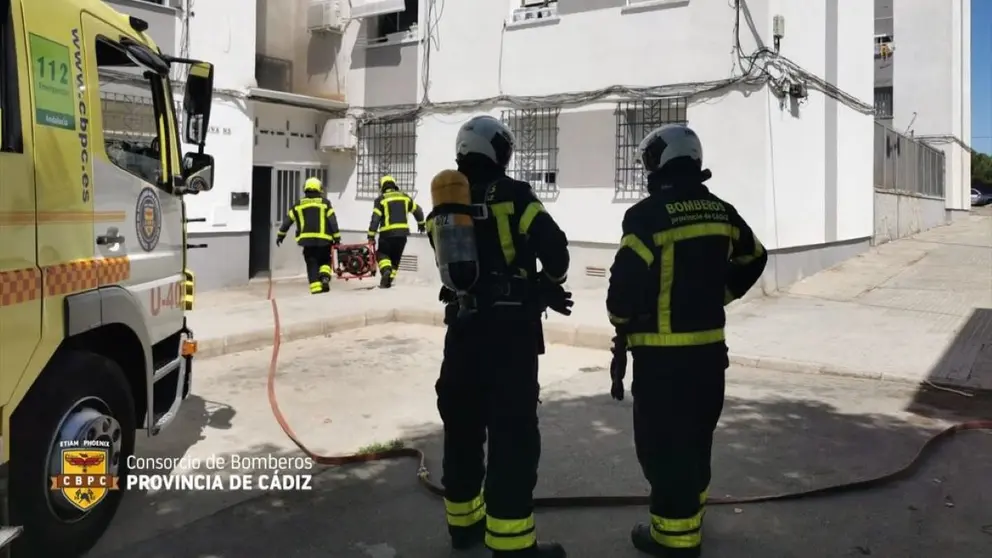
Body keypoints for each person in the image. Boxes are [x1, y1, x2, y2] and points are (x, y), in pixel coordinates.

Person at [606, 124, 767, 557]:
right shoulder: (721, 211)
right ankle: (690, 516)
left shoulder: (646, 215)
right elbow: (756, 255)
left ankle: (673, 540)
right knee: (696, 438)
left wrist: (619, 318)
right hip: (711, 355)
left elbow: (624, 283)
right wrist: (722, 294)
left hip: (662, 359)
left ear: (660, 162)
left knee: (661, 448)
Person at [428, 115, 572, 558]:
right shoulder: (515, 196)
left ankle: (464, 528)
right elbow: (557, 251)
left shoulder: (445, 205)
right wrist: (547, 283)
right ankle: (512, 546)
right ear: (497, 151)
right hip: (510, 335)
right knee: (512, 435)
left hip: (462, 332)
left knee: (462, 429)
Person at [276, 176, 341, 294]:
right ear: (319, 189)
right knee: (325, 260)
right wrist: (337, 237)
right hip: (324, 241)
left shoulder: (298, 205)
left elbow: (287, 221)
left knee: (312, 264)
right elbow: (332, 221)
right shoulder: (325, 203)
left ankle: (316, 290)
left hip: (307, 243)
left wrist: (281, 235)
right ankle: (325, 277)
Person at [366, 175, 426, 288]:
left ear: (383, 186)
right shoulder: (405, 197)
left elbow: (375, 218)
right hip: (402, 236)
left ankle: (386, 272)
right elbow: (418, 210)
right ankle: (389, 279)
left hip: (386, 235)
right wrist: (421, 223)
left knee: (382, 254)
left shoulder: (381, 200)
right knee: (395, 259)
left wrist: (371, 235)